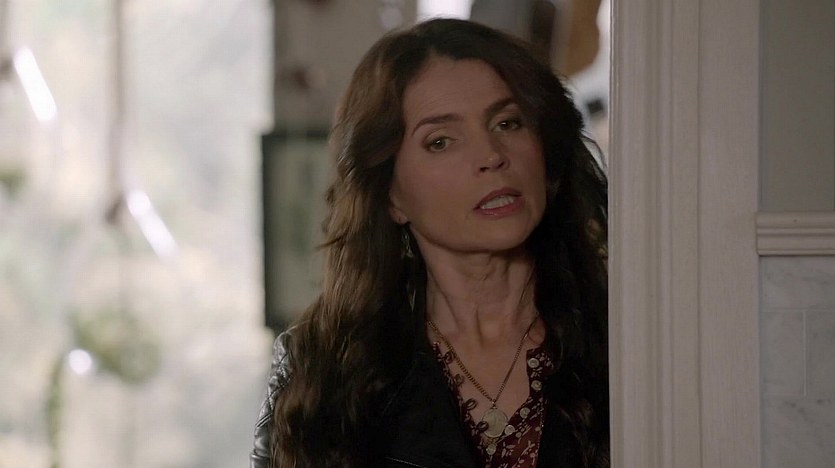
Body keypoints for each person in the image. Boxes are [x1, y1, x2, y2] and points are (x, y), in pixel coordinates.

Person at [250, 18, 609, 468]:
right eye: (440, 142)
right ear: (391, 196)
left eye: (507, 122)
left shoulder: (623, 335)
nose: (491, 155)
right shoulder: (321, 371)